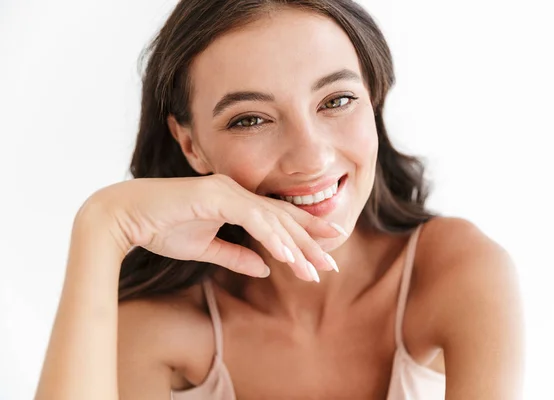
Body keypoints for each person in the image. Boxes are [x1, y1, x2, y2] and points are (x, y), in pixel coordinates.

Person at [34, 0, 524, 399]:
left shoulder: (455, 272)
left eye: (336, 100)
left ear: (373, 99)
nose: (310, 157)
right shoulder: (166, 325)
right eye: (250, 119)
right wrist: (102, 225)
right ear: (191, 145)